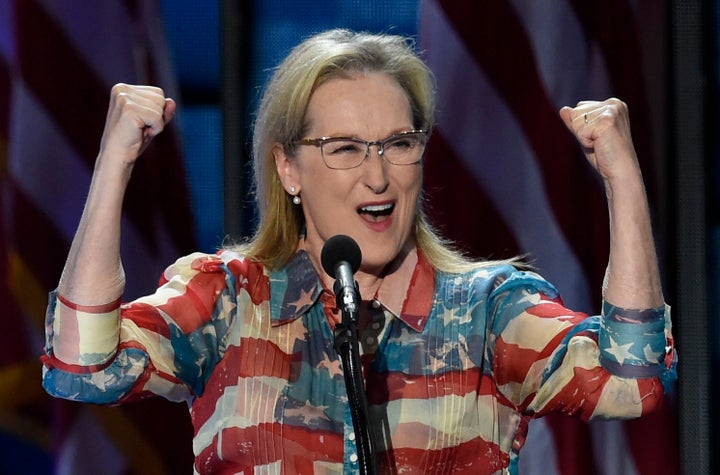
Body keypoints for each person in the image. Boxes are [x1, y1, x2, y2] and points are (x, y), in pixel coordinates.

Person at [41, 29, 676, 474]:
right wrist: (112, 165)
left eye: (398, 143)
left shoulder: (488, 311)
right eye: (344, 149)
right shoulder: (228, 301)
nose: (378, 177)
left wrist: (622, 181)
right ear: (288, 167)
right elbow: (82, 367)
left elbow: (632, 383)